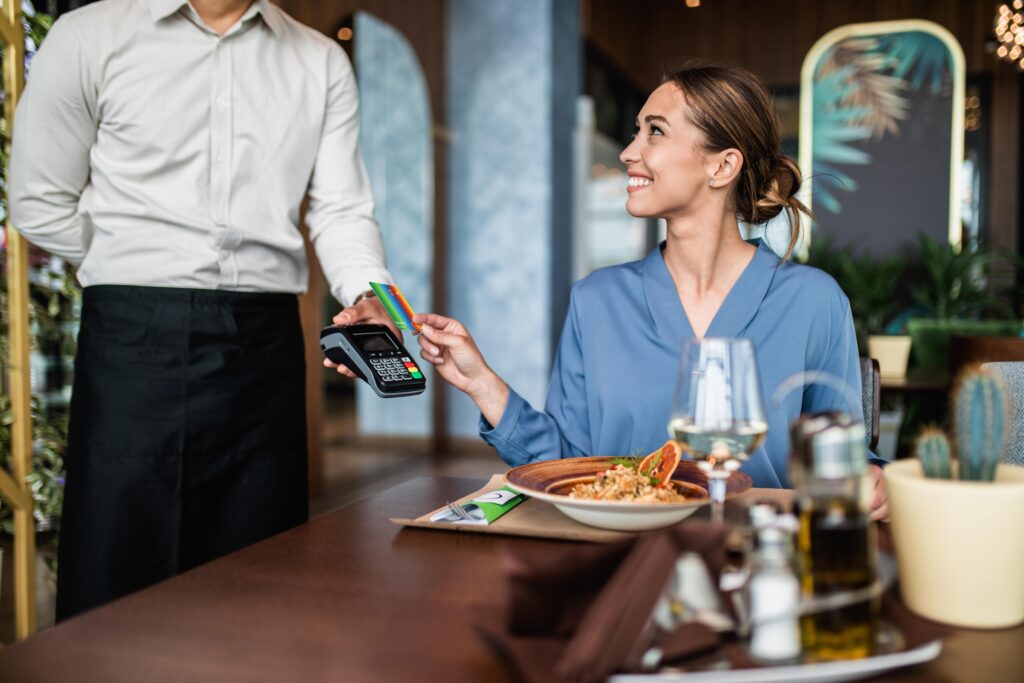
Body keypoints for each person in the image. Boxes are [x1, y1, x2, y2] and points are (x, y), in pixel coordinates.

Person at [10, 0, 397, 620]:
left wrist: (368, 294)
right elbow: (39, 202)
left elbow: (340, 209)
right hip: (132, 339)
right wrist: (140, 261)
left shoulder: (320, 60)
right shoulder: (88, 35)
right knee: (120, 574)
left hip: (265, 340)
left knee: (260, 575)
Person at [413, 61, 890, 521]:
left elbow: (845, 463)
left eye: (655, 131)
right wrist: (482, 384)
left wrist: (875, 483)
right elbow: (571, 466)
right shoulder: (595, 301)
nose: (628, 152)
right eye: (636, 130)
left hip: (757, 562)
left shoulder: (814, 301)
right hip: (617, 562)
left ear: (722, 166)